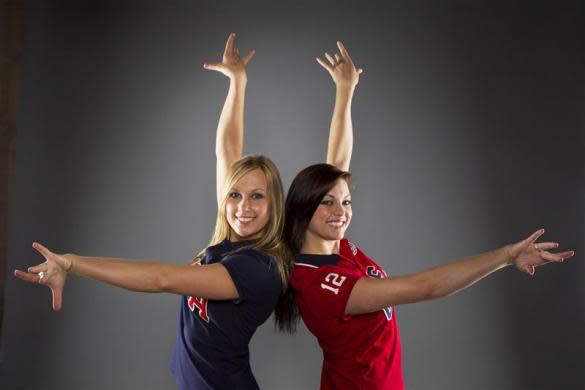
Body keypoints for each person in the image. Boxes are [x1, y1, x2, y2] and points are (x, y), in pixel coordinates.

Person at [14, 34, 291, 390]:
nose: (243, 207)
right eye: (235, 194)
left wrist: (72, 262)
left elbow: (163, 278)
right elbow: (227, 148)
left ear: (274, 204)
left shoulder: (258, 267)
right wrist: (238, 81)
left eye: (257, 197)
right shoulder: (230, 241)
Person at [284, 139, 574, 386]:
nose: (340, 211)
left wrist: (345, 90)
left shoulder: (339, 246)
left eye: (346, 202)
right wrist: (505, 256)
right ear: (304, 205)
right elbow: (426, 287)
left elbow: (337, 164)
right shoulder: (318, 283)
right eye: (327, 202)